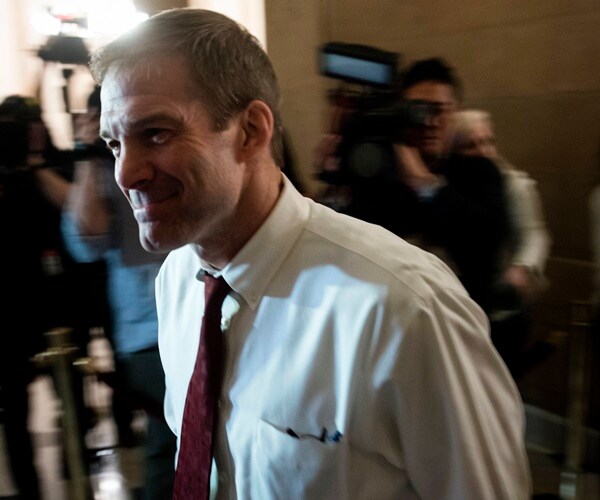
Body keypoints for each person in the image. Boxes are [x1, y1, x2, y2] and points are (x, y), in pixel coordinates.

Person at [90, 8, 531, 499]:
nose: (126, 175)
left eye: (156, 134)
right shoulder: (178, 280)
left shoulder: (402, 308)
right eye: (114, 144)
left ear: (251, 132)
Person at [316, 58, 512, 316]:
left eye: (438, 110)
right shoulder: (381, 178)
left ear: (455, 112)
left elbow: (484, 242)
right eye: (416, 111)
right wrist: (335, 184)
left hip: (460, 326)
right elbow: (339, 247)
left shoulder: (479, 172)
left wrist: (423, 183)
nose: (428, 122)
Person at [61, 87, 176, 499]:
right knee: (169, 444)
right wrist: (88, 155)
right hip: (146, 329)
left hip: (202, 311)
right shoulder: (107, 167)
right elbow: (86, 239)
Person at [454, 109, 551, 375]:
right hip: (466, 307)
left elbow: (534, 234)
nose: (484, 151)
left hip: (504, 310)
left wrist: (521, 268)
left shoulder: (514, 185)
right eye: (471, 145)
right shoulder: (452, 187)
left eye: (488, 141)